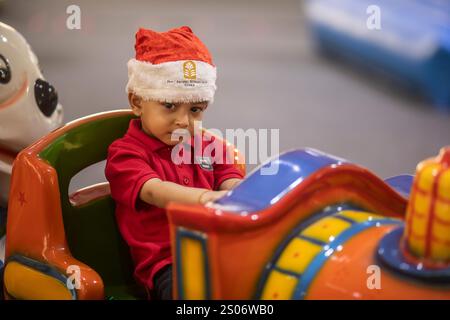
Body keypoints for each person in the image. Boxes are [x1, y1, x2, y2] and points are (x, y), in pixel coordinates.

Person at [105, 26, 244, 300]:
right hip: (169, 262)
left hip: (219, 246)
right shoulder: (125, 154)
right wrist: (209, 199)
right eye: (169, 106)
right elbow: (155, 191)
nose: (183, 121)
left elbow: (230, 177)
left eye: (195, 110)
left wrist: (241, 194)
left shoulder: (208, 144)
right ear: (137, 101)